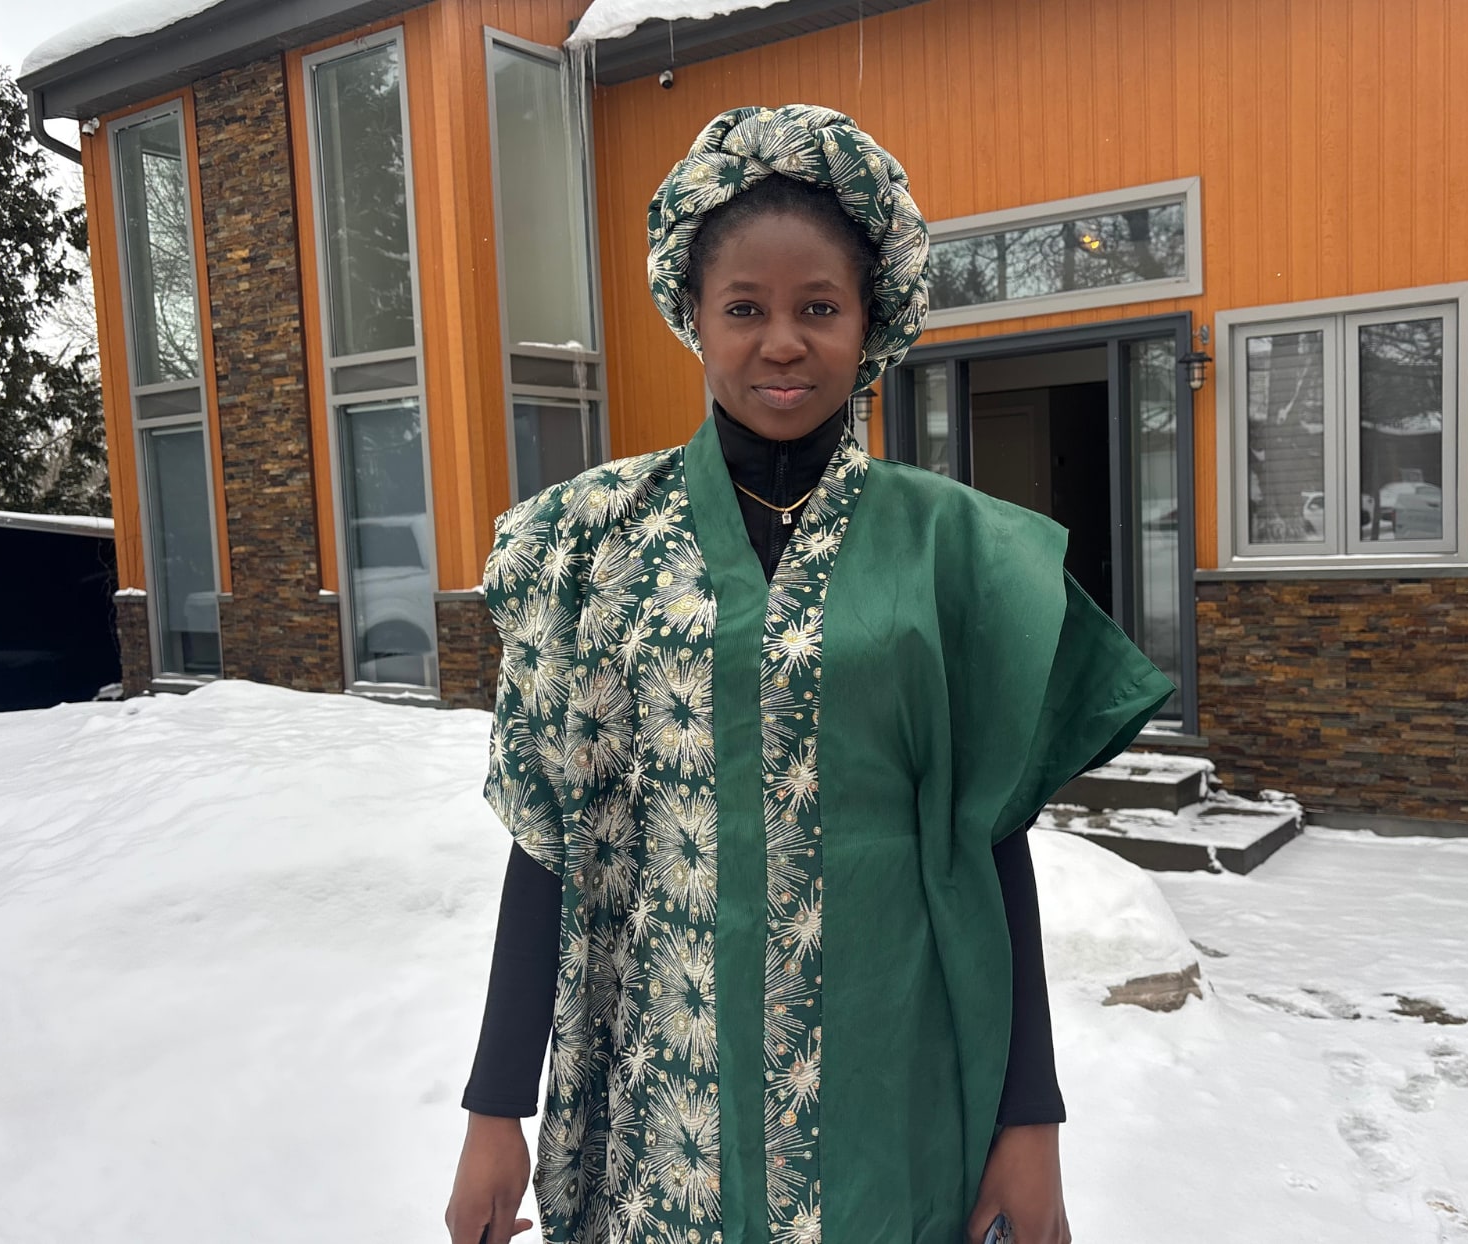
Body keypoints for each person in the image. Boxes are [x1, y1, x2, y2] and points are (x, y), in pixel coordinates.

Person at [444, 104, 1173, 1244]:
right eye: (745, 308)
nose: (780, 341)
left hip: (894, 1097)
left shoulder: (951, 555)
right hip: (668, 1110)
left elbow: (992, 846)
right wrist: (496, 1104)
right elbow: (550, 836)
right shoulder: (594, 547)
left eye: (817, 308)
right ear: (692, 315)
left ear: (870, 321)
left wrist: (1028, 1119)